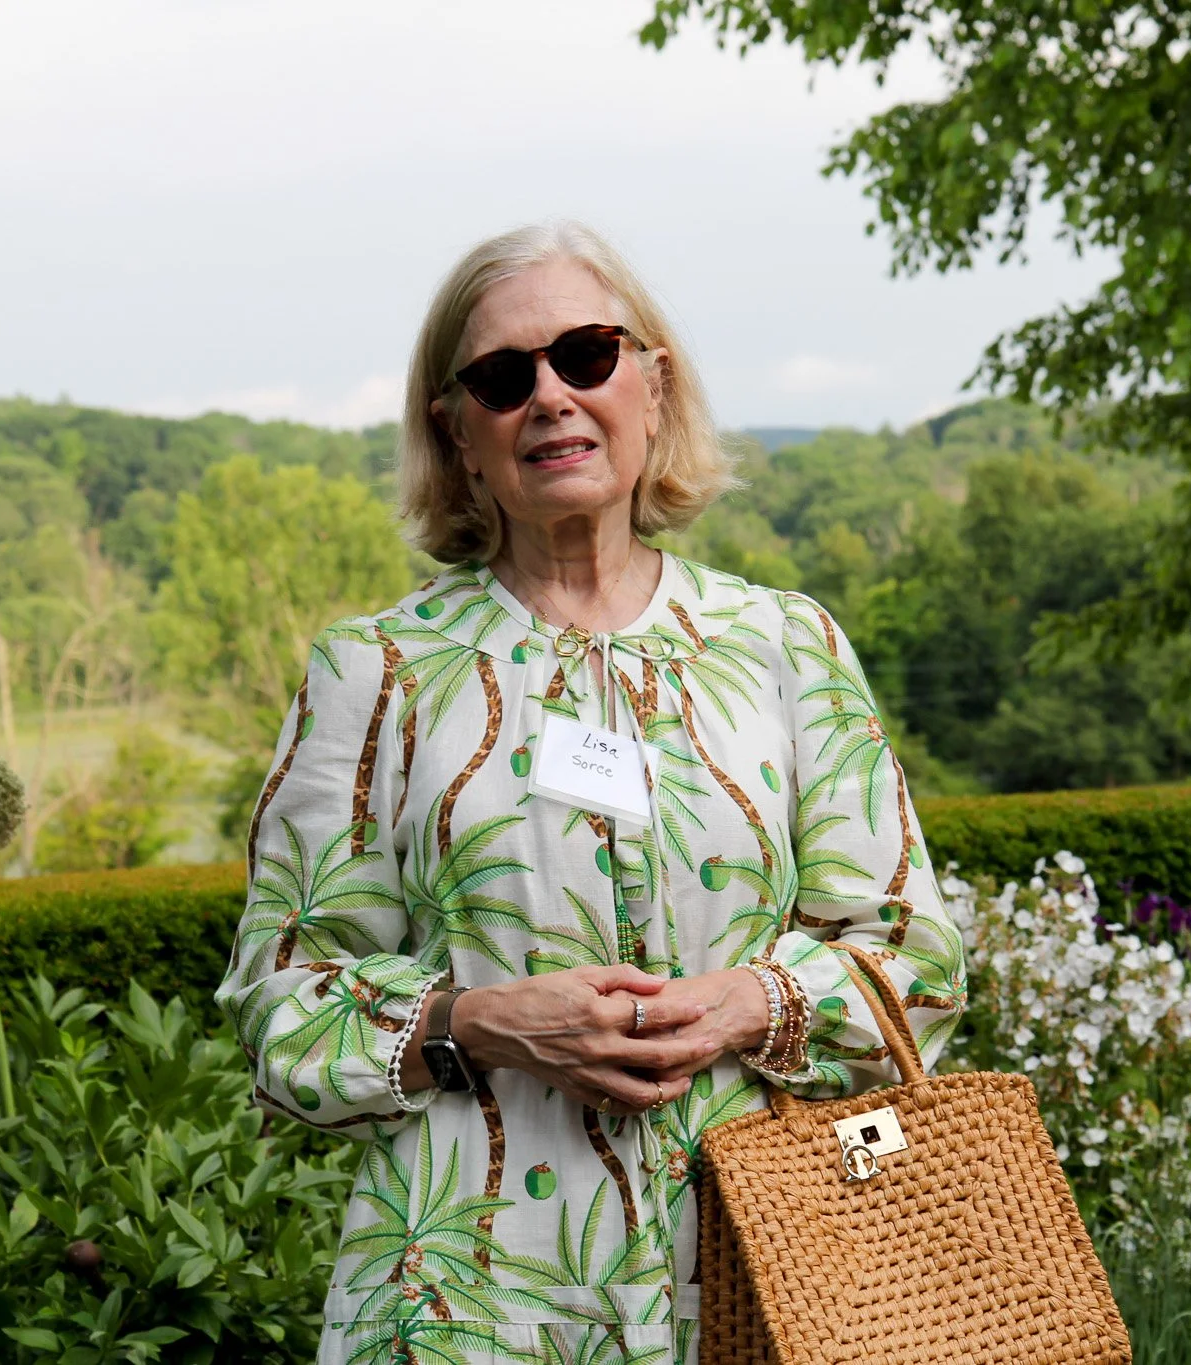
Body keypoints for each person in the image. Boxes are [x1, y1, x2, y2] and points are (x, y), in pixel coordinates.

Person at [215, 220, 966, 1365]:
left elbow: (915, 957)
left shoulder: (783, 646)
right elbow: (282, 1004)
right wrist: (476, 1024)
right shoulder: (375, 673)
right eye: (503, 377)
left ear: (652, 386)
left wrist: (742, 1004)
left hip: (774, 1285)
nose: (551, 397)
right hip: (460, 1304)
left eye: (586, 355)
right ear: (457, 433)